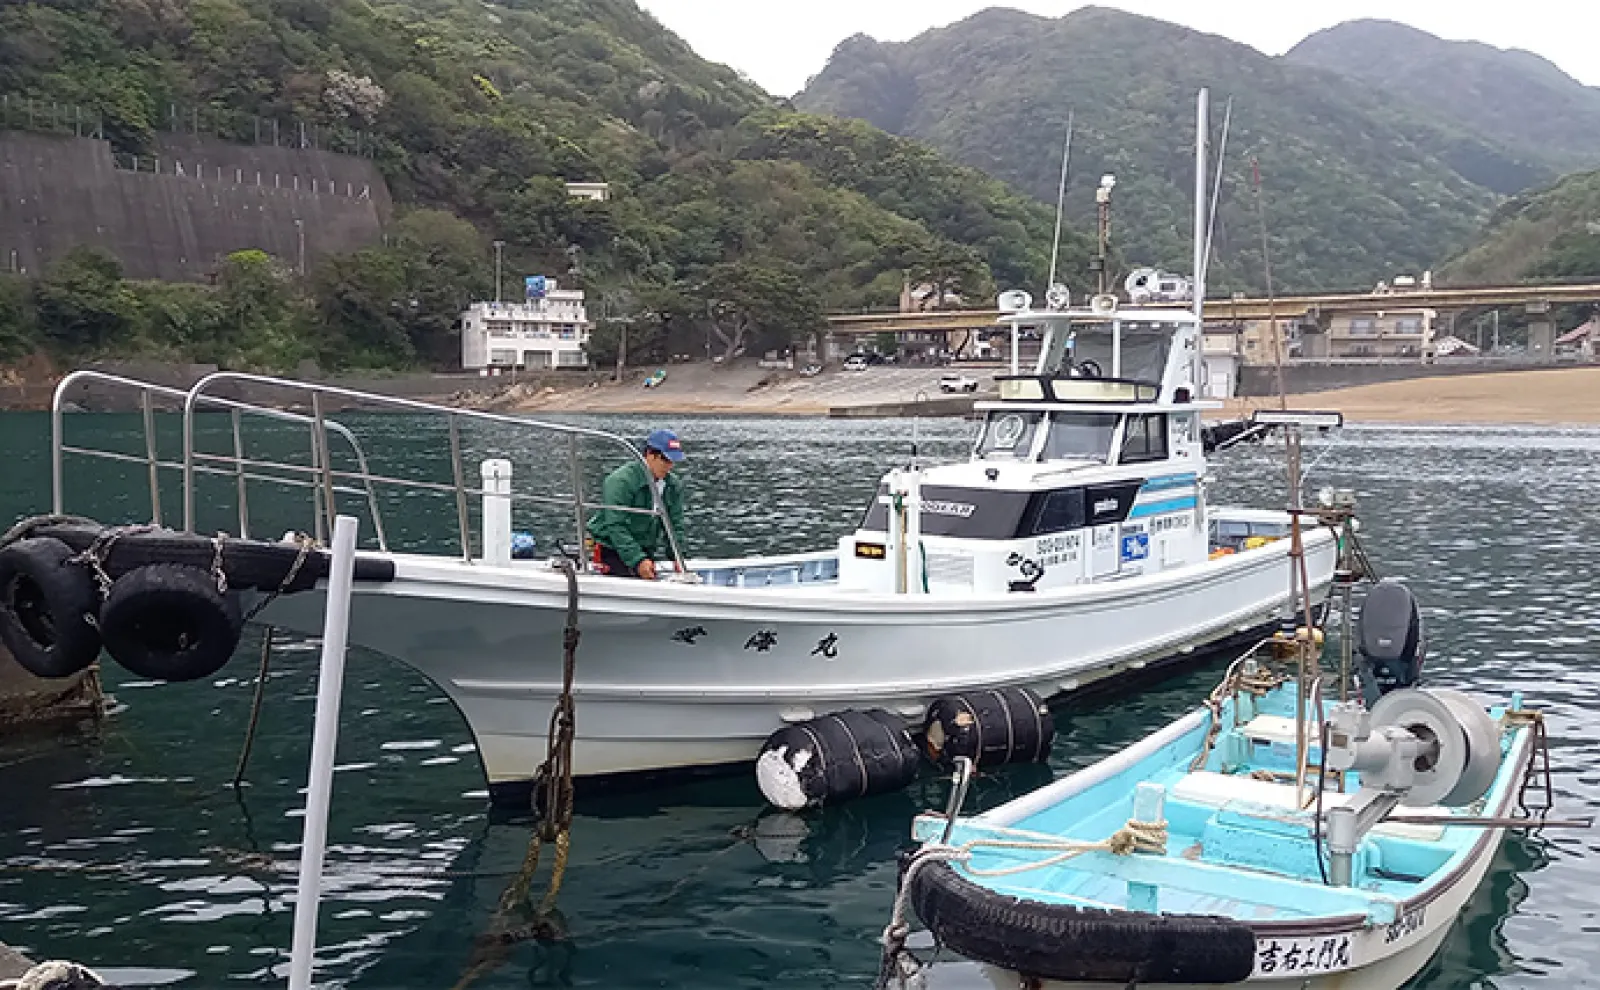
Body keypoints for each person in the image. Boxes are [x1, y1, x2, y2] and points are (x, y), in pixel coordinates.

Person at [587, 428, 687, 579]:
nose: (669, 466)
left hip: (644, 548)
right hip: (610, 548)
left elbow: (675, 525)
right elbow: (615, 525)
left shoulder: (672, 485)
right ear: (649, 455)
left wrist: (677, 557)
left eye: (672, 461)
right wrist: (638, 560)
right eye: (665, 459)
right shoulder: (621, 481)